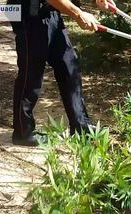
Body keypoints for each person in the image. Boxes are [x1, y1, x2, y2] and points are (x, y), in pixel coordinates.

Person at [7, 0, 114, 146]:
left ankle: (81, 126)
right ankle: (22, 132)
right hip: (29, 15)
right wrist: (78, 14)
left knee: (69, 66)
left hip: (51, 12)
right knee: (31, 74)